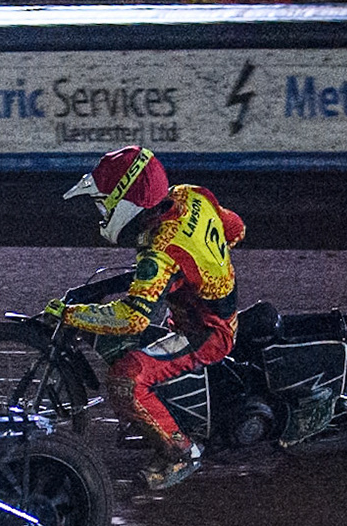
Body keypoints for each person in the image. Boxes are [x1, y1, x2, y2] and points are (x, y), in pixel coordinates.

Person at [48, 146, 246, 494]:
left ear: (130, 201)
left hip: (207, 334)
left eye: (105, 202)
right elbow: (236, 229)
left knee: (126, 378)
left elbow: (134, 318)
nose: (102, 210)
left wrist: (72, 315)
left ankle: (182, 453)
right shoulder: (190, 195)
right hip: (207, 312)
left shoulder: (160, 250)